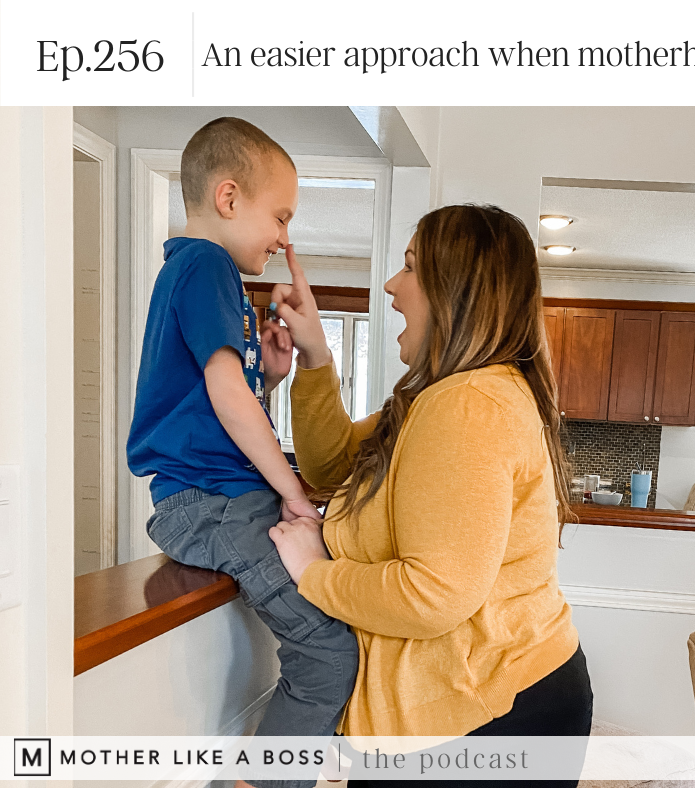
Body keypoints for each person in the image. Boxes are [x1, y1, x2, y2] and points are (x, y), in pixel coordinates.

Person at [268, 204, 594, 787]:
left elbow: (432, 594)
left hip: (485, 713)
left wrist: (315, 573)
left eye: (412, 266)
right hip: (480, 703)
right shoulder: (438, 398)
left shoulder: (467, 405)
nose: (392, 285)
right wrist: (315, 355)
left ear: (457, 290)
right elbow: (333, 464)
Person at [126, 117, 358, 788]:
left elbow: (213, 397)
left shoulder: (199, 272)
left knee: (335, 616)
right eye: (281, 216)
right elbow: (225, 393)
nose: (285, 237)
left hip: (215, 497)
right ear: (228, 198)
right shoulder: (206, 265)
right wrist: (293, 492)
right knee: (328, 653)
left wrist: (272, 377)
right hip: (212, 503)